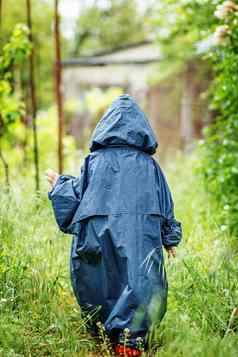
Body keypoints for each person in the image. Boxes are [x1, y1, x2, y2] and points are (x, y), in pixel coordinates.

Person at [47, 94, 182, 356]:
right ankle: (130, 341)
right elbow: (165, 202)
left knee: (99, 277)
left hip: (97, 232)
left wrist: (59, 186)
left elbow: (76, 194)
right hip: (140, 234)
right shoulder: (149, 166)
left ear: (105, 125)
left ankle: (104, 331)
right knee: (140, 278)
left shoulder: (94, 162)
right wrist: (169, 237)